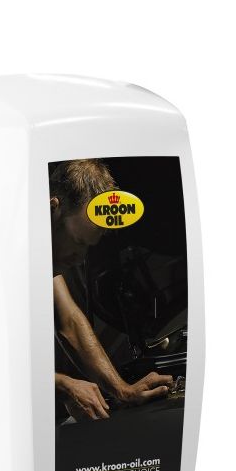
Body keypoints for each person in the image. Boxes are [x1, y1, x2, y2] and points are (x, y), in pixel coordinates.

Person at [50, 159, 172, 421]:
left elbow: (69, 321)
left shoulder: (51, 259)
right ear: (52, 209)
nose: (80, 258)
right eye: (77, 241)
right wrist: (62, 384)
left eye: (88, 246)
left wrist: (123, 391)